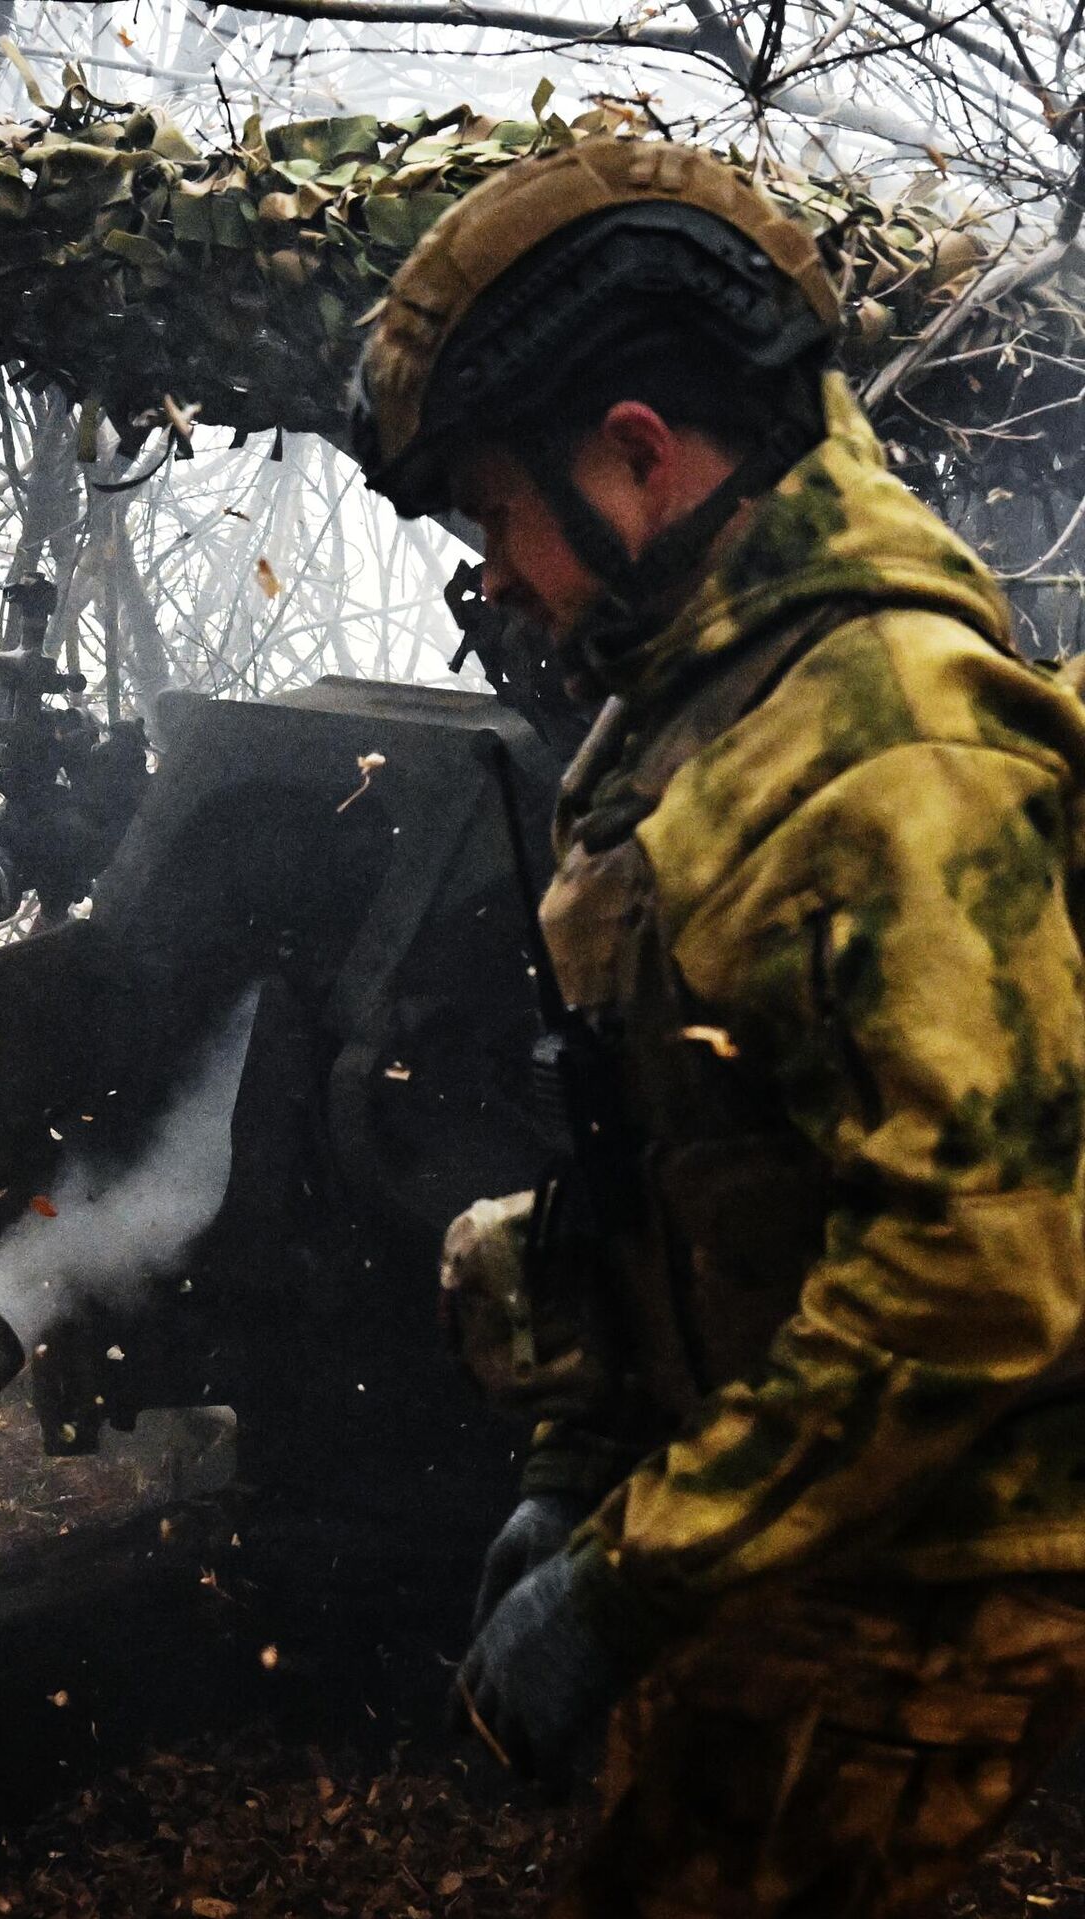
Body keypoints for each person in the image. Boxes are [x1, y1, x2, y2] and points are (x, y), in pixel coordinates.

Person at [353, 136, 1085, 1915]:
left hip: (913, 1577)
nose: (494, 575)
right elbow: (684, 1157)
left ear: (638, 452)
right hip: (794, 1526)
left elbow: (976, 1269)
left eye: (495, 515)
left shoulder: (886, 743)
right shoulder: (695, 705)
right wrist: (580, 1466)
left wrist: (634, 1584)